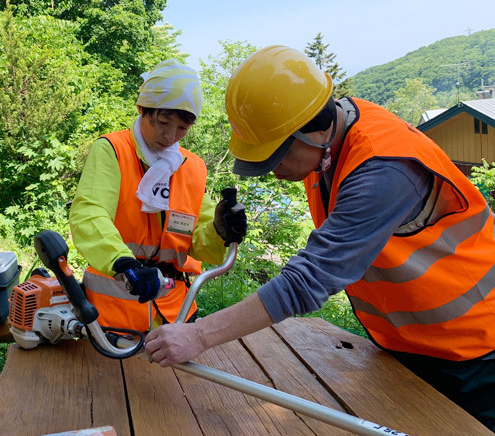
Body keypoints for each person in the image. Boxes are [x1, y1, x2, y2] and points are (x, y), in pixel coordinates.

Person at [145, 45, 495, 431]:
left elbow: (310, 279)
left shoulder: (385, 169)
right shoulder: (331, 141)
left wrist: (199, 334)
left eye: (275, 157)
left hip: (475, 351)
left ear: (314, 130)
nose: (272, 171)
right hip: (406, 344)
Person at [69, 59, 247, 332]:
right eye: (163, 122)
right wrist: (123, 262)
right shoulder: (113, 150)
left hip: (177, 311)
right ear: (143, 109)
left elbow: (196, 241)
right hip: (114, 311)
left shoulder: (192, 167)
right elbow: (89, 213)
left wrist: (219, 231)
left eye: (182, 129)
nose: (170, 136)